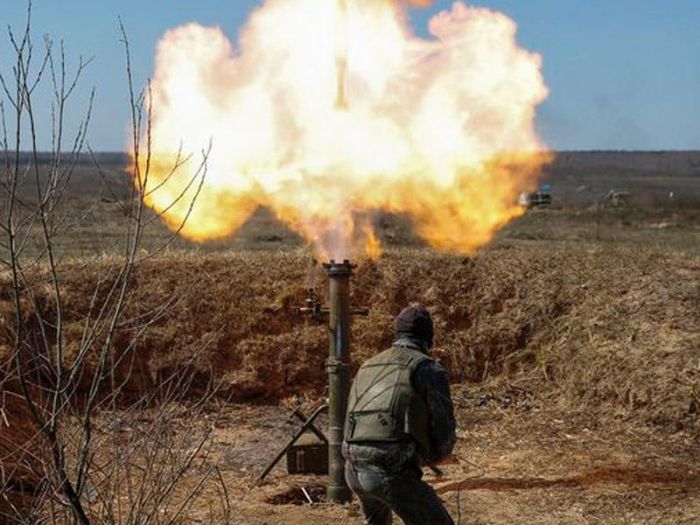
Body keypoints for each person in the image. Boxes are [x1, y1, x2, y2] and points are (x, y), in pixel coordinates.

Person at [343, 305, 456, 525]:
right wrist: (432, 457)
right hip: (390, 471)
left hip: (352, 468)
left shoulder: (367, 365)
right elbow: (443, 431)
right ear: (428, 338)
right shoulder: (428, 369)